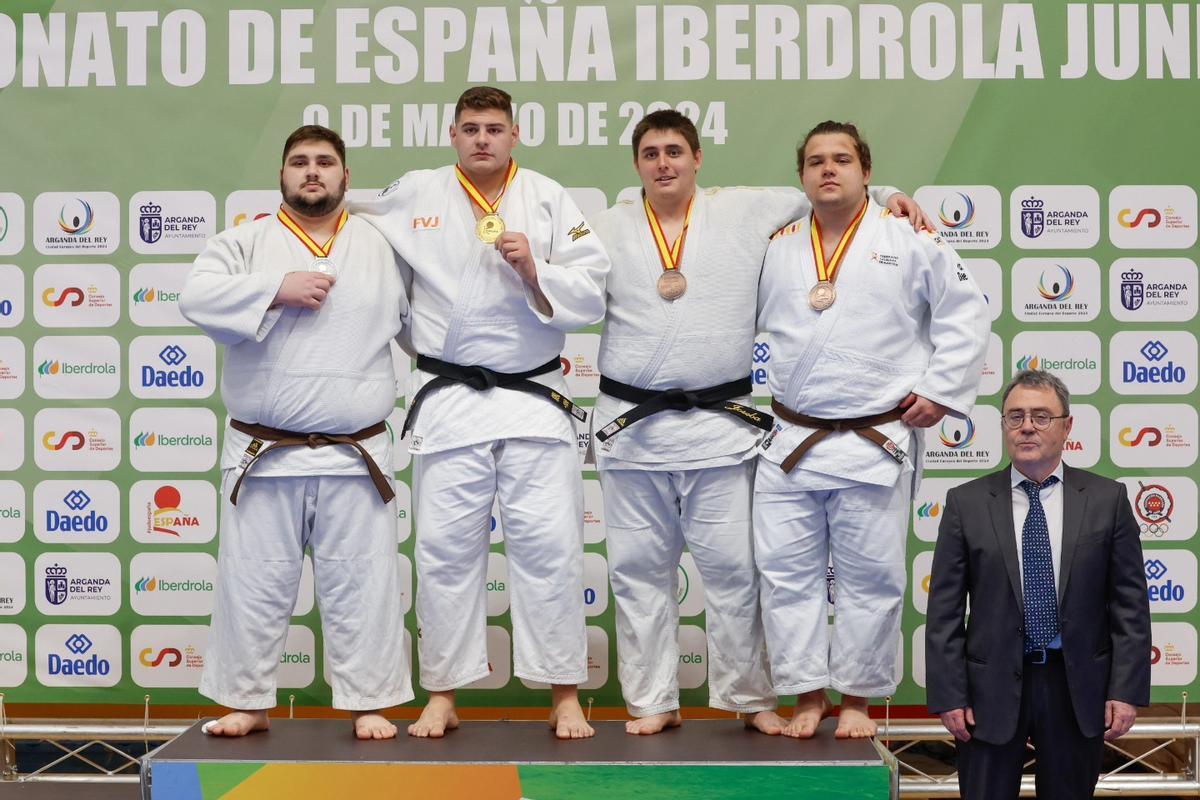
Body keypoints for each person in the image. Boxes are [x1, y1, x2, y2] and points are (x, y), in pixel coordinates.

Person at [590, 110, 930, 736]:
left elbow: (829, 191)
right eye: (650, 153)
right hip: (632, 426)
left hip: (721, 429)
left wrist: (887, 196)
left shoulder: (744, 209)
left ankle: (750, 699)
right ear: (635, 164)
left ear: (697, 159)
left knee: (736, 572)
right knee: (638, 575)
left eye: (674, 151)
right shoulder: (606, 227)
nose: (663, 163)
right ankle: (651, 700)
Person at [355, 86, 610, 739]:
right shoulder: (417, 191)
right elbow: (346, 210)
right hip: (451, 404)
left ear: (514, 134)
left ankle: (564, 694)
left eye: (494, 128)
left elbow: (591, 289)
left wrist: (537, 270)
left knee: (551, 550)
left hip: (531, 402)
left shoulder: (551, 197)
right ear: (452, 134)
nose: (482, 139)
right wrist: (271, 222)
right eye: (470, 128)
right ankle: (441, 692)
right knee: (443, 552)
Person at [755, 120, 989, 738]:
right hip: (789, 442)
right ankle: (807, 696)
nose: (828, 170)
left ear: (865, 171)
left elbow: (967, 311)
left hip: (872, 441)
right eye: (815, 162)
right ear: (801, 176)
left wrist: (941, 390)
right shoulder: (776, 243)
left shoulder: (907, 235)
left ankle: (856, 699)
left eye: (842, 160)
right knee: (786, 576)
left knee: (871, 577)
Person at [180, 125, 413, 739]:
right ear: (282, 176)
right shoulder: (246, 242)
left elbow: (419, 324)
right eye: (299, 163)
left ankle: (370, 699)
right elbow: (195, 297)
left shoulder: (381, 245)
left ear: (346, 177)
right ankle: (246, 700)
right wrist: (274, 290)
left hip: (354, 451)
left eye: (325, 162)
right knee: (252, 580)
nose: (312, 172)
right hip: (265, 451)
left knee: (364, 581)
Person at [926, 369, 1150, 799]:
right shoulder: (965, 503)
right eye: (1015, 416)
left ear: (1068, 425)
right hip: (987, 693)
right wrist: (949, 695)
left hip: (1077, 689)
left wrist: (1125, 691)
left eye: (1042, 416)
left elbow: (1130, 607)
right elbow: (944, 613)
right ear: (1004, 426)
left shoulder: (1108, 500)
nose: (1027, 426)